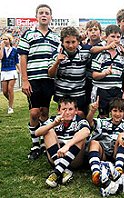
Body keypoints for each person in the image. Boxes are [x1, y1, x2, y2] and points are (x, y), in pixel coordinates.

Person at [17, 4, 60, 160]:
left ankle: (43, 142)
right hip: (33, 79)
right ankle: (35, 144)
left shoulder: (55, 37)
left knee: (45, 112)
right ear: (36, 16)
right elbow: (23, 57)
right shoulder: (28, 34)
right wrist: (25, 80)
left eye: (47, 13)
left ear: (50, 17)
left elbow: (56, 59)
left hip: (48, 79)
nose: (44, 15)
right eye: (41, 13)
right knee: (34, 112)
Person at [35, 97, 91, 187]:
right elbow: (37, 133)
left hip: (74, 159)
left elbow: (87, 131)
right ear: (58, 110)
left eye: (70, 109)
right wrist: (53, 125)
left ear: (76, 110)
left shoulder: (80, 120)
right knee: (48, 131)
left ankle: (57, 172)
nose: (67, 112)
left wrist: (67, 146)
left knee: (81, 135)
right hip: (56, 157)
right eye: (64, 109)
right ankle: (63, 170)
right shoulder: (54, 119)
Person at [87, 97, 124, 186]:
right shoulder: (102, 122)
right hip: (103, 152)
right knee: (94, 143)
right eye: (115, 111)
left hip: (117, 152)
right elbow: (89, 123)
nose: (117, 114)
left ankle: (118, 169)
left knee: (122, 137)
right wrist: (92, 111)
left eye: (120, 111)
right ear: (110, 112)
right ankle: (96, 172)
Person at [48, 26, 91, 117]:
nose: (71, 45)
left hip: (79, 92)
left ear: (78, 41)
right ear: (62, 42)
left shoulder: (85, 52)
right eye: (67, 42)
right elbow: (51, 74)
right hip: (62, 92)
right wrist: (57, 63)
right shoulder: (56, 55)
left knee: (80, 115)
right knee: (65, 116)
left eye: (73, 42)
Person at [91, 25, 124, 118]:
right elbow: (94, 75)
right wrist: (104, 73)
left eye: (118, 37)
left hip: (116, 90)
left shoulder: (121, 55)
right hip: (102, 90)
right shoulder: (100, 54)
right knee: (103, 116)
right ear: (106, 37)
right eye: (113, 36)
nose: (116, 39)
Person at [0, 33, 20, 114]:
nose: (4, 41)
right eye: (2, 39)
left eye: (5, 39)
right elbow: (1, 57)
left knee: (10, 89)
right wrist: (1, 48)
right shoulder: (1, 49)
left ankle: (10, 107)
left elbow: (17, 61)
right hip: (4, 70)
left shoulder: (14, 50)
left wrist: (20, 71)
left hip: (12, 70)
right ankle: (11, 101)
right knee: (4, 91)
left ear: (9, 40)